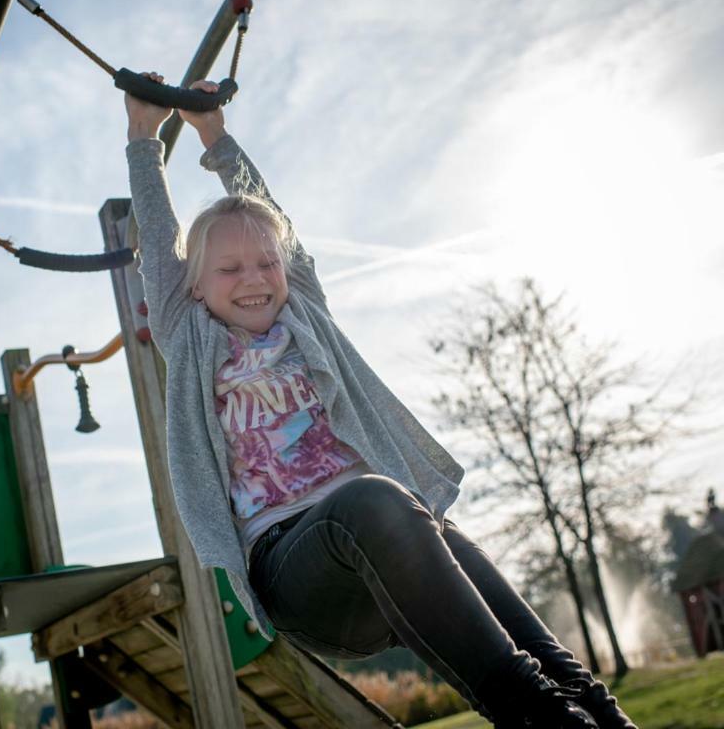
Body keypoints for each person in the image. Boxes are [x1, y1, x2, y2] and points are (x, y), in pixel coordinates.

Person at [122, 74, 635, 729]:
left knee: (448, 543)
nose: (254, 281)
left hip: (389, 541)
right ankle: (539, 719)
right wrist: (143, 136)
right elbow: (160, 240)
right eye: (228, 270)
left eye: (266, 265)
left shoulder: (304, 312)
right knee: (375, 497)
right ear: (195, 286)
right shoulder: (187, 332)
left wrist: (216, 137)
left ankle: (601, 718)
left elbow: (271, 217)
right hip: (301, 573)